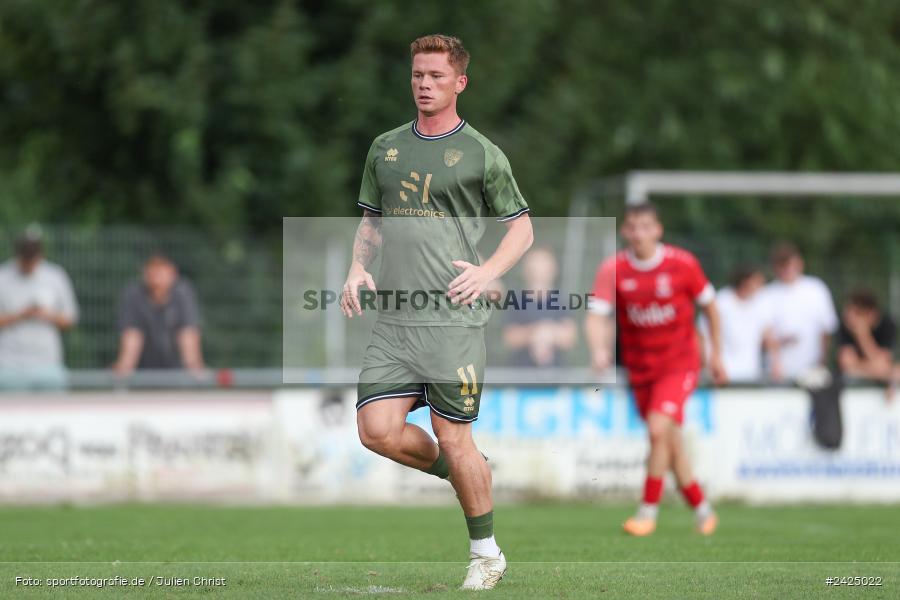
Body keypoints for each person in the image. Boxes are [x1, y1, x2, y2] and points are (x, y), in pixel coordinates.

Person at [340, 34, 533, 590]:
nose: (424, 84)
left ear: (459, 83)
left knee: (454, 436)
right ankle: (465, 472)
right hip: (396, 319)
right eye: (418, 75)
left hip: (451, 321)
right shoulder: (385, 148)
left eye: (436, 76)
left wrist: (488, 271)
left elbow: (521, 226)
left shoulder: (482, 153)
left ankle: (486, 553)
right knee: (375, 430)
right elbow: (372, 222)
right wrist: (358, 268)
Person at [585, 202, 726, 537]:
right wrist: (599, 350)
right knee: (669, 439)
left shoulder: (683, 264)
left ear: (658, 230)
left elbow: (711, 308)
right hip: (641, 368)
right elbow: (596, 315)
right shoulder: (613, 268)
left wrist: (717, 354)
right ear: (625, 231)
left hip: (680, 362)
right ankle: (703, 509)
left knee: (658, 430)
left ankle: (647, 512)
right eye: (633, 227)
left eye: (646, 226)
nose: (639, 234)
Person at [0, 232, 79, 390]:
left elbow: (71, 319)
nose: (28, 265)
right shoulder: (3, 277)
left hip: (48, 363)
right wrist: (21, 315)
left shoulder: (55, 276)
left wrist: (45, 314)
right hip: (9, 365)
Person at [113, 254, 205, 377]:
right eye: (152, 270)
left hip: (178, 374)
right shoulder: (134, 295)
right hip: (143, 375)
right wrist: (124, 371)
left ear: (173, 273)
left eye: (160, 270)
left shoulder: (182, 294)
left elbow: (187, 336)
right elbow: (132, 338)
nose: (156, 276)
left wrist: (195, 370)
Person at [762, 243, 838, 381]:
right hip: (777, 374)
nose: (788, 269)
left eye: (790, 264)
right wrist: (776, 355)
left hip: (811, 371)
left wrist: (822, 363)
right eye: (782, 265)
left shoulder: (816, 289)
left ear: (799, 263)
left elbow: (826, 330)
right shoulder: (767, 294)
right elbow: (766, 333)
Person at [701, 265, 781, 383]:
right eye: (758, 281)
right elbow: (703, 335)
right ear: (746, 282)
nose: (761, 286)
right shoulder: (722, 301)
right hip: (723, 375)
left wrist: (776, 362)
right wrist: (710, 364)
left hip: (751, 374)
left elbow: (768, 335)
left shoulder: (761, 303)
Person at [502, 247, 577, 367]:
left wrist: (548, 333)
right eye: (535, 267)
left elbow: (569, 338)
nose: (540, 272)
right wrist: (534, 333)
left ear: (553, 270)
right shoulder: (516, 300)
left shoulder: (561, 299)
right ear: (526, 270)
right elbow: (509, 338)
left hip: (556, 377)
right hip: (521, 375)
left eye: (544, 266)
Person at [836, 288, 895, 383]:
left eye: (856, 313)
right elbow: (846, 364)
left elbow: (883, 365)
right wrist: (879, 371)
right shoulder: (846, 326)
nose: (849, 317)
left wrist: (863, 335)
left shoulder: (887, 325)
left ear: (870, 314)